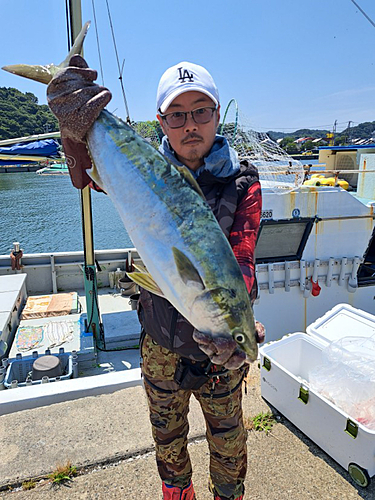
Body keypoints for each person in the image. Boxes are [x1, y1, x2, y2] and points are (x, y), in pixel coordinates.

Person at [47, 57, 264, 500]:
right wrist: (74, 126)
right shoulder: (140, 167)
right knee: (167, 442)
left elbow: (242, 259)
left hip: (218, 355)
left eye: (201, 111)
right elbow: (85, 174)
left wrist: (239, 334)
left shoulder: (243, 183)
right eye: (177, 115)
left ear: (217, 115)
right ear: (161, 121)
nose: (191, 125)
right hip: (160, 342)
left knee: (229, 445)